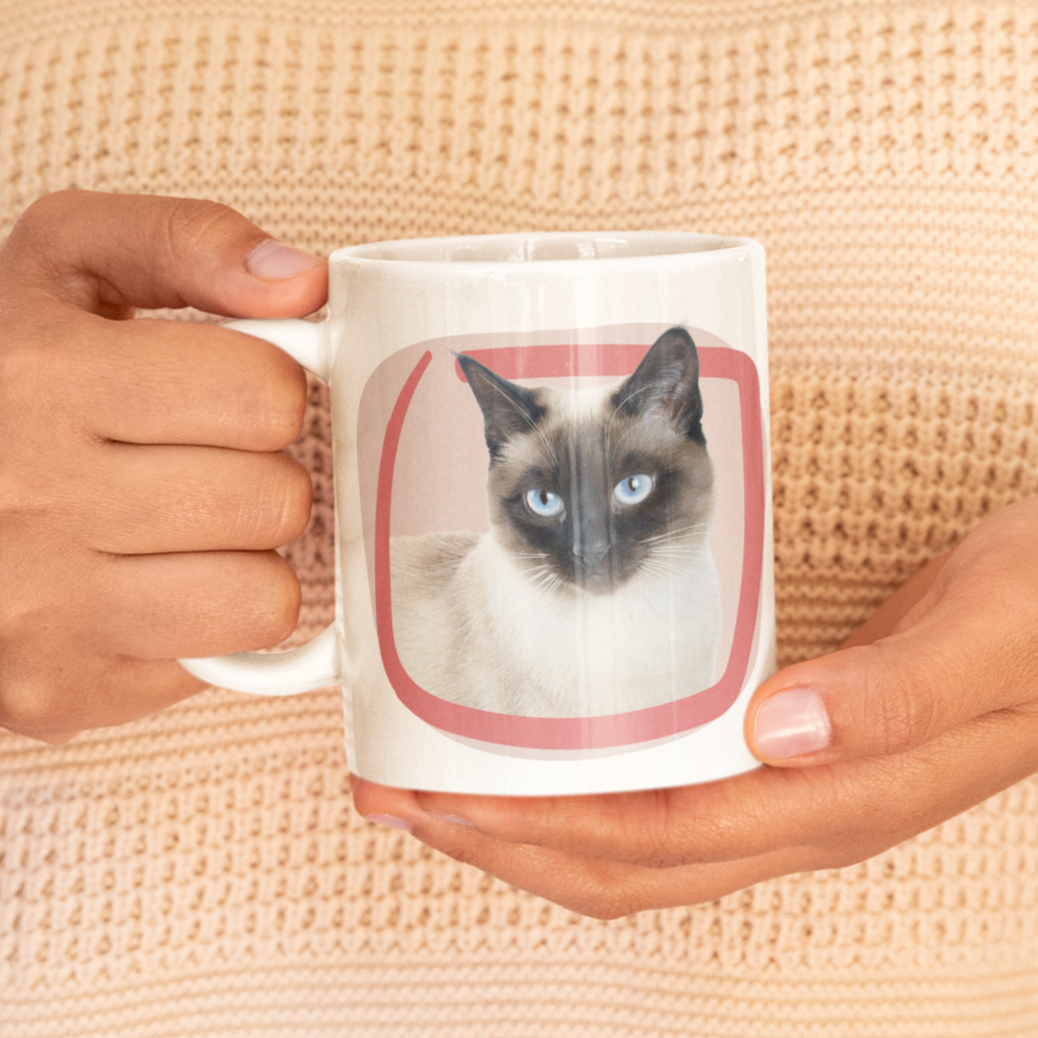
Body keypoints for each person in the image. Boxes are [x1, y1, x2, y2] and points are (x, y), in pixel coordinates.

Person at [3, 0, 1038, 1034]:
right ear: (500, 459)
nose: (589, 543)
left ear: (686, 421)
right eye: (544, 502)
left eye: (632, 490)